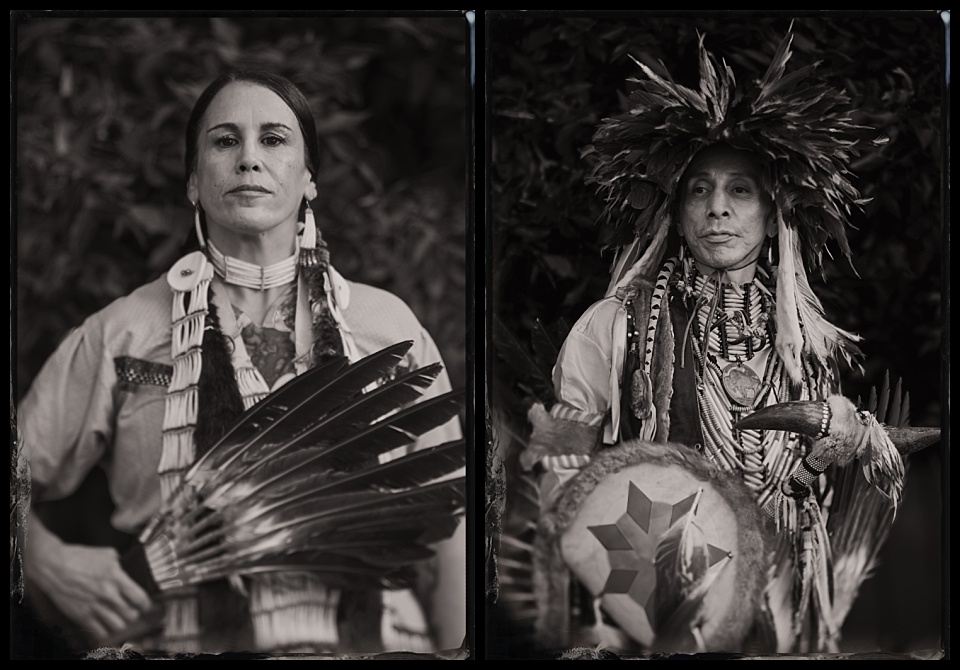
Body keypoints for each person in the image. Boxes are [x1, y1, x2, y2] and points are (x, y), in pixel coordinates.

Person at [18, 69, 465, 655]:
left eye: (274, 139)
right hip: (174, 639)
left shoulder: (387, 329)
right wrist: (46, 559)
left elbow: (450, 522)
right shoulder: (126, 333)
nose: (249, 159)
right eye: (225, 141)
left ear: (309, 181)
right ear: (192, 182)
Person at [517, 29, 919, 655]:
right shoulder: (614, 325)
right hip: (656, 597)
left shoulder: (808, 346)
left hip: (783, 602)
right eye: (699, 190)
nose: (718, 209)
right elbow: (557, 460)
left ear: (773, 212)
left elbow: (810, 487)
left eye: (740, 190)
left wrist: (834, 452)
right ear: (676, 212)